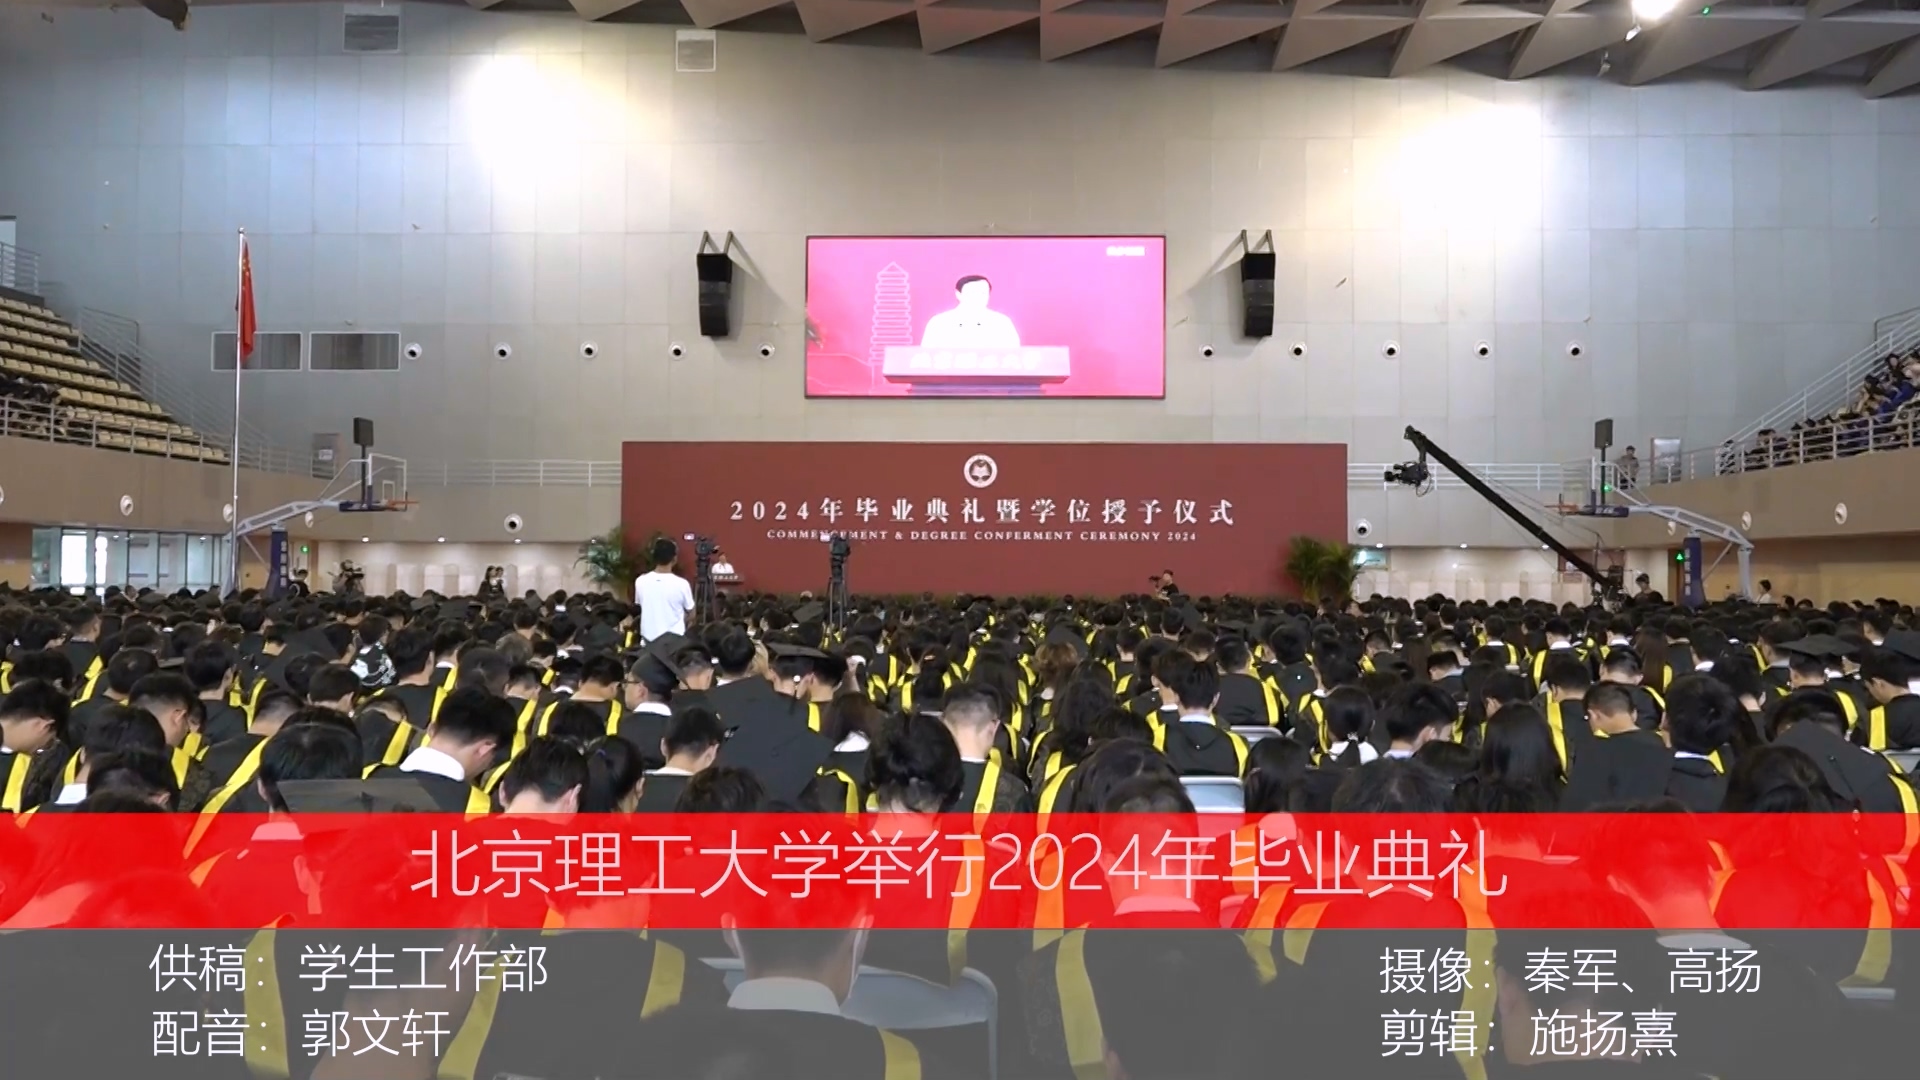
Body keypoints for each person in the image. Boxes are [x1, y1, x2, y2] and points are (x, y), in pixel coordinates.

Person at [919, 274, 1020, 349]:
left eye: (983, 293)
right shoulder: (940, 322)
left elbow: (1013, 355)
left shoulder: (1001, 322)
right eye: (972, 292)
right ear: (958, 294)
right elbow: (927, 356)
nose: (978, 297)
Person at [633, 536, 695, 643]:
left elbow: (640, 606)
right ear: (674, 559)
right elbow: (692, 614)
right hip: (674, 644)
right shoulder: (682, 584)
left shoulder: (640, 581)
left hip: (648, 644)